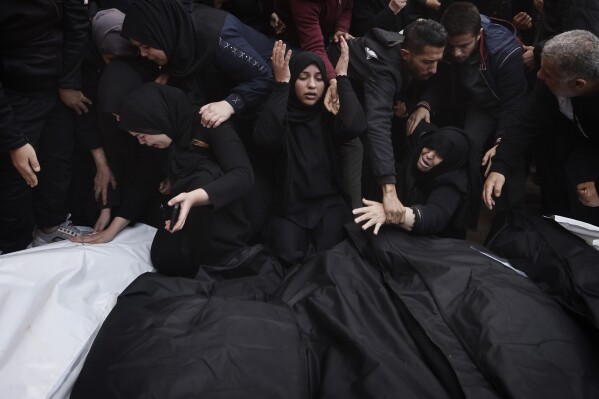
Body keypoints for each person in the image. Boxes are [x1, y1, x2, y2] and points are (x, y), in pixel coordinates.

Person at [103, 83, 253, 276]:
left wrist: (194, 197)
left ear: (157, 120)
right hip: (184, 216)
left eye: (141, 135)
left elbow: (243, 176)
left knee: (203, 176)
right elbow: (144, 182)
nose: (141, 142)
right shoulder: (162, 141)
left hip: (224, 218)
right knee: (164, 259)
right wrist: (110, 231)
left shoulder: (209, 123)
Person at [254, 39, 366, 265]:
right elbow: (265, 138)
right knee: (285, 257)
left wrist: (342, 78)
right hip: (290, 208)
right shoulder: (279, 114)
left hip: (329, 204)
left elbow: (356, 126)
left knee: (333, 259)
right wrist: (281, 85)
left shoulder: (327, 113)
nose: (312, 85)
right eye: (303, 78)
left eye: (318, 78)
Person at [326, 19, 446, 224]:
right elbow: (378, 124)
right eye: (427, 62)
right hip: (331, 86)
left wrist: (419, 104)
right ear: (405, 54)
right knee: (355, 145)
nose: (434, 69)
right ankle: (354, 218)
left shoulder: (408, 38)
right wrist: (389, 190)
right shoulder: (384, 69)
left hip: (359, 92)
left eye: (438, 61)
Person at [483, 30, 599, 226]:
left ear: (578, 84)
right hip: (571, 134)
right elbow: (526, 120)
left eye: (547, 73)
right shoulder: (556, 76)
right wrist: (500, 165)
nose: (539, 74)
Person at [0, 0, 88, 253]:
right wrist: (14, 140)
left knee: (57, 161)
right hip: (14, 92)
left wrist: (68, 82)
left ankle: (50, 226)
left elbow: (77, 23)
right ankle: (13, 248)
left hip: (56, 85)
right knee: (17, 175)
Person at [121, 0, 275, 129]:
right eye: (138, 48)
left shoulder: (216, 36)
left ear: (161, 33)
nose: (143, 54)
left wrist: (230, 104)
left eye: (146, 46)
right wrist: (169, 72)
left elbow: (263, 76)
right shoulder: (178, 30)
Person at [354, 124, 480, 238]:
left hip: (429, 246)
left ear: (450, 162)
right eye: (431, 146)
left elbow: (434, 216)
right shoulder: (417, 151)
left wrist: (395, 214)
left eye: (440, 155)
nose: (429, 155)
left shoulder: (453, 184)